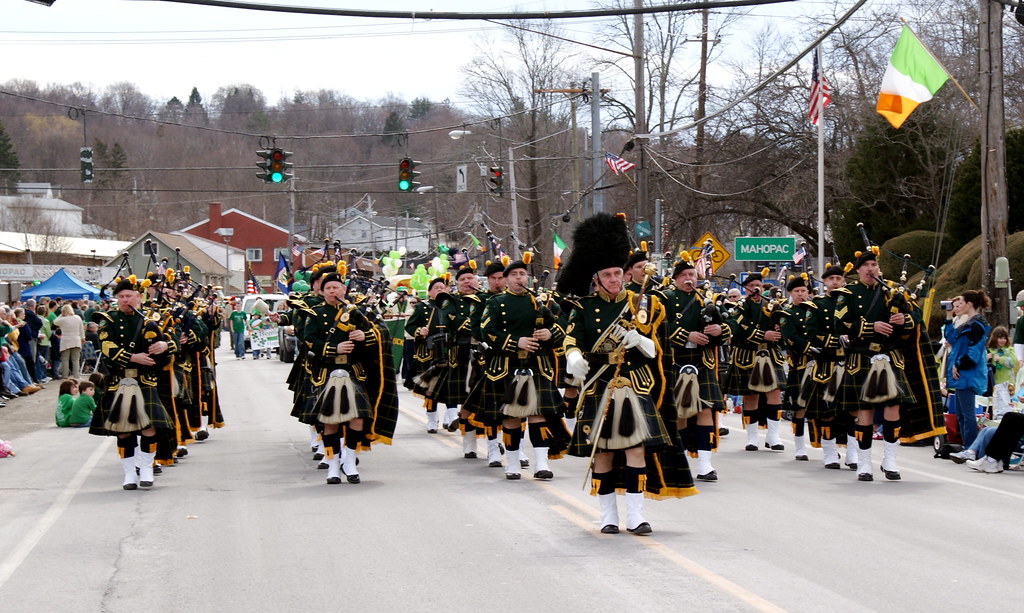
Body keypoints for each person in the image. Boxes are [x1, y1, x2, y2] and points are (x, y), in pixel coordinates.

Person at [559, 213, 697, 535]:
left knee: (637, 448)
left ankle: (636, 515)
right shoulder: (583, 308)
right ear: (596, 279)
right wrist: (574, 355)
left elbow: (657, 350)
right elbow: (570, 338)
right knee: (603, 452)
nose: (614, 279)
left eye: (617, 273)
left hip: (635, 383)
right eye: (607, 275)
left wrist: (641, 340)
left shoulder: (642, 303)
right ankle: (608, 515)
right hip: (600, 384)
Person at [478, 255, 568, 480]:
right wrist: (515, 341)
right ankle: (513, 462)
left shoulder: (541, 301)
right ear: (506, 280)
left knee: (539, 414)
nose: (519, 278)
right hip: (507, 365)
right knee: (511, 417)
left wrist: (551, 333)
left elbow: (565, 322)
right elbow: (486, 331)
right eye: (514, 275)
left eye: (522, 274)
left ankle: (541, 463)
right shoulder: (495, 303)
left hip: (536, 364)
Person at [834, 249, 915, 481]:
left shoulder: (892, 290)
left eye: (874, 265)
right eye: (866, 265)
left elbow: (915, 316)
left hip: (890, 356)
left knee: (893, 408)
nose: (871, 269)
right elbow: (840, 324)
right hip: (861, 357)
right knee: (865, 411)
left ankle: (890, 460)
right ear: (858, 270)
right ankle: (865, 462)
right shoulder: (847, 293)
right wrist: (871, 327)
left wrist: (905, 319)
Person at [91, 275, 174, 490]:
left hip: (145, 380)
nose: (125, 300)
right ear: (116, 298)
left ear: (138, 297)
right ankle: (129, 473)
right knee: (124, 430)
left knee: (149, 428)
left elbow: (168, 346)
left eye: (129, 296)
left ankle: (146, 468)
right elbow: (106, 346)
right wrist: (132, 357)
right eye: (121, 296)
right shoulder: (107, 320)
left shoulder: (149, 322)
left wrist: (165, 346)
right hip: (119, 380)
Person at [661, 255, 730, 481]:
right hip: (677, 361)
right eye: (684, 276)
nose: (689, 279)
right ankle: (680, 462)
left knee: (705, 410)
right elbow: (659, 326)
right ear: (675, 280)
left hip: (702, 361)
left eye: (692, 275)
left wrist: (720, 331)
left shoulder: (706, 300)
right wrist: (685, 335)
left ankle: (704, 464)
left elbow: (728, 326)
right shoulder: (666, 298)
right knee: (680, 412)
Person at [723, 270, 787, 452]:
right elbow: (739, 329)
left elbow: (782, 325)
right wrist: (763, 335)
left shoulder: (773, 305)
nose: (755, 289)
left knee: (774, 392)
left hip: (770, 354)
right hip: (746, 356)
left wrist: (779, 328)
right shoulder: (740, 307)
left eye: (758, 285)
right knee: (750, 395)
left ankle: (773, 436)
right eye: (751, 286)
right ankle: (752, 438)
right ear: (745, 289)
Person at [943, 289, 991, 450]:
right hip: (962, 375)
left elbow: (974, 353)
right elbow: (950, 338)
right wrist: (949, 317)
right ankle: (967, 446)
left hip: (968, 374)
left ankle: (971, 448)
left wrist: (959, 364)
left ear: (969, 304)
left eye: (961, 303)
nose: (958, 306)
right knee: (962, 415)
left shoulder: (976, 325)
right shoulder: (967, 324)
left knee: (967, 414)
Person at [987, 326, 1018, 419]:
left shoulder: (1009, 349)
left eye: (1004, 338)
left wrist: (1000, 359)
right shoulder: (989, 351)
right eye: (1000, 338)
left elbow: (1013, 362)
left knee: (1008, 408)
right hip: (995, 385)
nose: (1003, 340)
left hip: (1008, 385)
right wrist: (986, 359)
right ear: (995, 338)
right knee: (997, 410)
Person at [53, 304, 85, 379]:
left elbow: (55, 322)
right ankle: (76, 376)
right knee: (76, 360)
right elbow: (81, 329)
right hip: (76, 339)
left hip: (65, 340)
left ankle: (65, 376)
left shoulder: (63, 319)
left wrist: (61, 315)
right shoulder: (78, 318)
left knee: (65, 359)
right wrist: (82, 338)